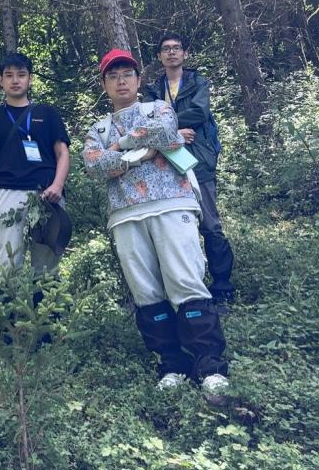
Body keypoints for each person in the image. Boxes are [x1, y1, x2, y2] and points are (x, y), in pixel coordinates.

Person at [83, 49, 229, 401]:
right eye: (113, 76)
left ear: (138, 80)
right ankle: (172, 364)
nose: (121, 81)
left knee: (185, 281)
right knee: (146, 292)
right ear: (104, 84)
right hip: (125, 214)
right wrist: (138, 154)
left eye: (127, 74)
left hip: (172, 203)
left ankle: (210, 366)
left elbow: (164, 132)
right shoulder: (98, 128)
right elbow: (93, 163)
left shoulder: (158, 108)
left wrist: (120, 147)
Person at [143, 32, 235, 312]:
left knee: (210, 224)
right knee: (177, 227)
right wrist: (175, 132)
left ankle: (222, 288)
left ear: (185, 54)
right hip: (166, 164)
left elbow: (199, 113)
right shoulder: (153, 90)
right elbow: (147, 121)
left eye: (176, 48)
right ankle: (189, 289)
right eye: (166, 49)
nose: (171, 52)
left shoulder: (198, 82)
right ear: (159, 56)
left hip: (199, 160)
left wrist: (167, 125)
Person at [0, 53, 71, 277]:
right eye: (9, 75)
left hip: (47, 194)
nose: (15, 80)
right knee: (8, 262)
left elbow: (63, 153)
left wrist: (57, 185)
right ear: (0, 80)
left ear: (30, 79)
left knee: (47, 263)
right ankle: (9, 300)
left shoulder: (47, 113)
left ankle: (46, 300)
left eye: (21, 74)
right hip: (7, 192)